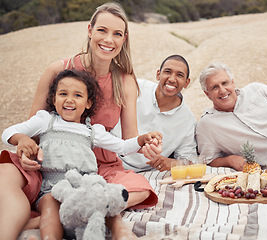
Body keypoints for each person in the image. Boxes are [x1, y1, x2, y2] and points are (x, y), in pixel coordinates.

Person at [0, 2, 156, 239]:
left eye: (117, 34)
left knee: (141, 188)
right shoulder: (58, 70)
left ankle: (73, 212)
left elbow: (129, 141)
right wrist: (24, 149)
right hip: (48, 158)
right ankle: (12, 230)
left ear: (124, 39)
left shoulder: (125, 82)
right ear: (90, 30)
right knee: (4, 175)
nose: (108, 39)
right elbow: (32, 129)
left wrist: (148, 146)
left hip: (96, 165)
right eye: (102, 30)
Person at [2, 69, 162, 239]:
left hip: (86, 185)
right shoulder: (46, 121)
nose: (69, 99)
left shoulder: (92, 131)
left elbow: (122, 147)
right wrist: (22, 139)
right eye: (63, 93)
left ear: (88, 103)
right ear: (54, 98)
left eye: (78, 95)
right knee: (50, 208)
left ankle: (119, 231)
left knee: (101, 203)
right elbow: (8, 132)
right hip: (53, 188)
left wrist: (142, 139)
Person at [111, 54, 197, 172]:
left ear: (187, 83)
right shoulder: (135, 88)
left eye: (179, 75)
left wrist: (172, 163)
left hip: (146, 172)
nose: (172, 79)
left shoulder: (188, 121)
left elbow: (189, 159)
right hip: (110, 159)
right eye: (167, 72)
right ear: (158, 74)